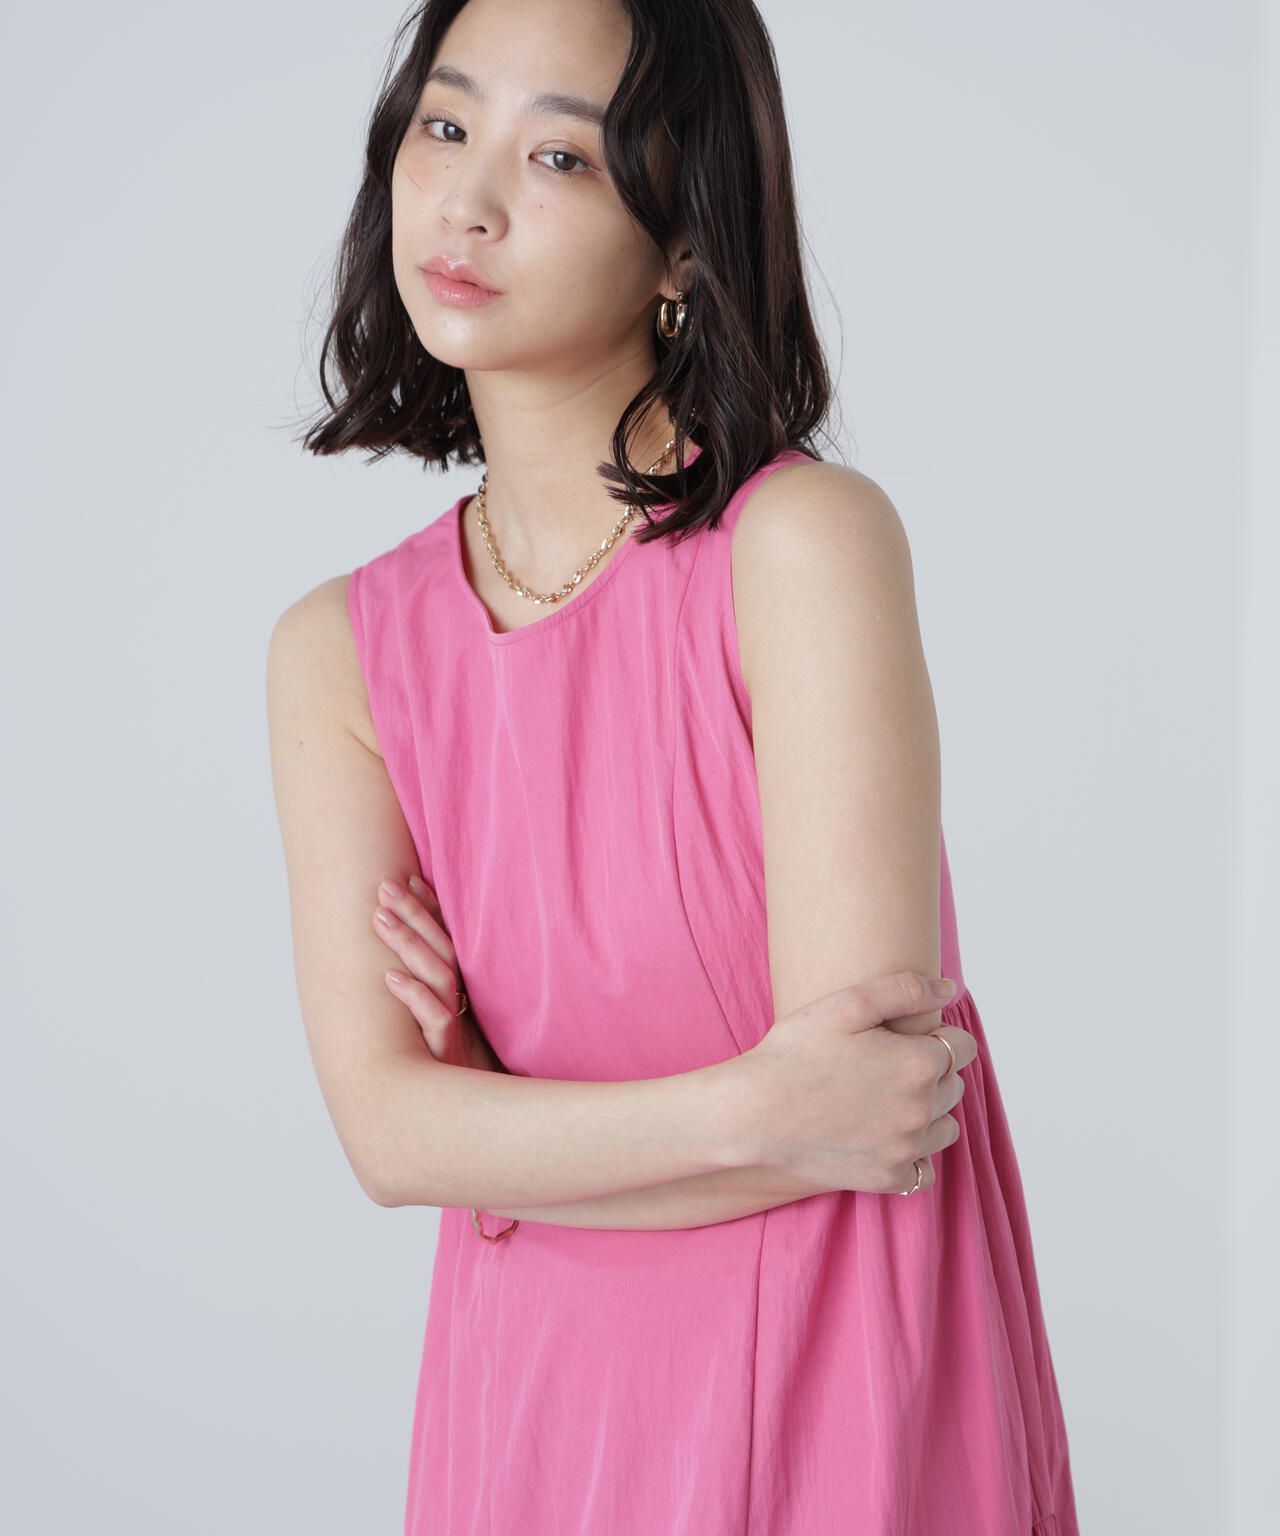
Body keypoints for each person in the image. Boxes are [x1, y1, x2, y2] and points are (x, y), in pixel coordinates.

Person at [266, 1, 1079, 1532]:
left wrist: (504, 1140)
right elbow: (386, 1137)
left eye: (559, 156)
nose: (468, 200)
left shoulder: (801, 546)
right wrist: (749, 1110)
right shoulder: (341, 653)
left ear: (687, 239)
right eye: (445, 125)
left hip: (836, 1361)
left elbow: (872, 1112)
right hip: (533, 1397)